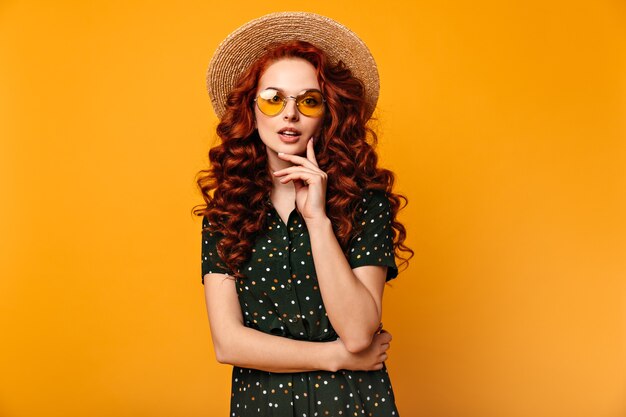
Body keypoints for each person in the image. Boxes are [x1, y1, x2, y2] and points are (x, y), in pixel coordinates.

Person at [194, 12, 413, 417]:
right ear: (251, 108)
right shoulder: (224, 213)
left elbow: (360, 330)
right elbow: (228, 344)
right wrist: (336, 357)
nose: (289, 114)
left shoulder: (365, 201)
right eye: (273, 98)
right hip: (262, 406)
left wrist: (317, 220)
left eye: (308, 100)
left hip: (353, 405)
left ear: (327, 112)